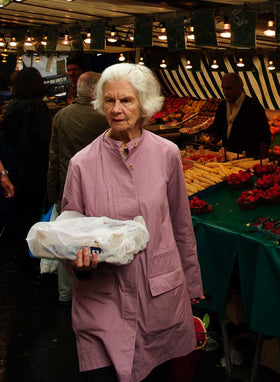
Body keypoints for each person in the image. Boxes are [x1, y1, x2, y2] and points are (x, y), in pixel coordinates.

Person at [61, 62, 204, 382]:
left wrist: (192, 282)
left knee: (154, 373)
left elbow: (181, 222)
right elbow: (69, 233)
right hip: (102, 300)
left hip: (158, 295)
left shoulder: (167, 153)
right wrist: (77, 264)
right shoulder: (81, 163)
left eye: (126, 100)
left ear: (144, 105)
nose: (116, 108)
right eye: (109, 100)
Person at [47, 71, 108, 304]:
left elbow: (53, 157)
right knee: (96, 240)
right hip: (99, 189)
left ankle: (66, 294)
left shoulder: (62, 116)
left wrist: (52, 192)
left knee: (68, 241)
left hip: (67, 188)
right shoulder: (104, 117)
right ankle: (96, 294)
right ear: (96, 91)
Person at [1, 67, 52, 271]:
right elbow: (42, 138)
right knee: (32, 214)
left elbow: (8, 137)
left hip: (16, 167)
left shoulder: (14, 107)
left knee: (20, 212)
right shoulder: (37, 107)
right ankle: (31, 257)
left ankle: (20, 255)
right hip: (34, 169)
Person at [208, 72, 271, 159]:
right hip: (227, 156)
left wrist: (260, 159)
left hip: (247, 158)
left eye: (229, 88)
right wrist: (213, 137)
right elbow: (217, 126)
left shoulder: (253, 107)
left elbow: (264, 136)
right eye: (223, 88)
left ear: (239, 87)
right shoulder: (222, 106)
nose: (225, 92)